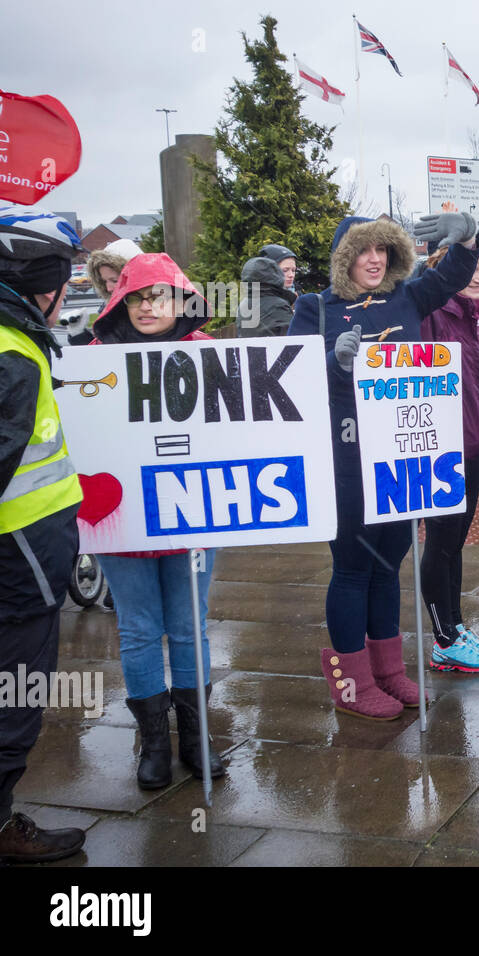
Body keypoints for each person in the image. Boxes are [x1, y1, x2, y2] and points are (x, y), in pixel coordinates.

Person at [289, 210, 479, 719]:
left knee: (389, 565)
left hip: (403, 454)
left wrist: (468, 234)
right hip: (347, 458)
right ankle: (351, 683)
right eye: (362, 251)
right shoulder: (317, 308)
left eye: (382, 250)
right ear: (343, 257)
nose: (373, 260)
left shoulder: (407, 295)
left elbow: (455, 275)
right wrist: (334, 361)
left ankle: (389, 671)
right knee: (353, 570)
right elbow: (290, 381)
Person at [89, 253, 227, 787]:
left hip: (192, 514)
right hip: (119, 521)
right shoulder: (93, 361)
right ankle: (153, 745)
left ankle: (196, 738)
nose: (148, 307)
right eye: (138, 297)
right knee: (139, 630)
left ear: (181, 301)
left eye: (159, 296)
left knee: (189, 626)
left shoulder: (208, 355)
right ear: (121, 301)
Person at [0, 206, 88, 863]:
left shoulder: (19, 342)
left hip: (25, 563)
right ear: (44, 283)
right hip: (20, 571)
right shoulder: (14, 355)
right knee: (15, 705)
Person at [418, 241, 479, 672]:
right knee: (441, 543)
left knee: (454, 545)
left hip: (471, 446)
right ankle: (443, 637)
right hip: (440, 449)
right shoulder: (434, 312)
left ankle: (454, 624)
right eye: (470, 268)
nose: (478, 276)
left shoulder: (477, 315)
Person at [236, 255, 295, 337]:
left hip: (252, 349)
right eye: (285, 270)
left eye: (293, 270)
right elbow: (294, 339)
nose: (291, 275)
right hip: (275, 349)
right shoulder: (278, 305)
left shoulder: (244, 304)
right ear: (275, 276)